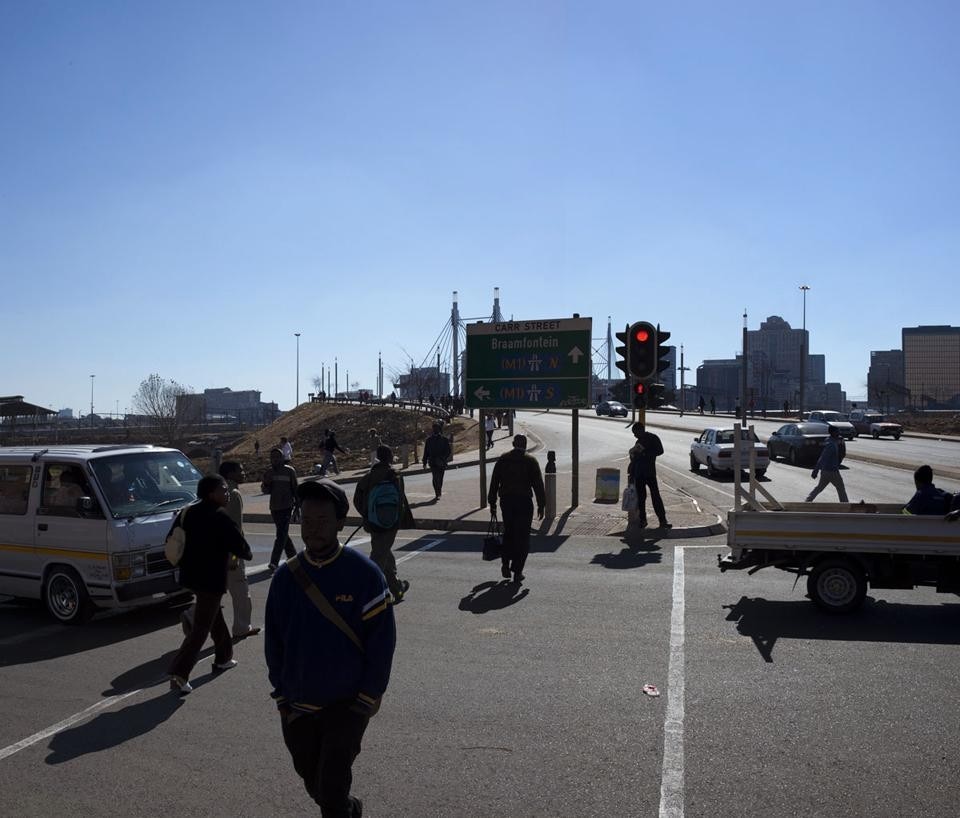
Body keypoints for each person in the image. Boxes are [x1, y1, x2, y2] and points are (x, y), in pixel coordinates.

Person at [265, 479, 396, 818]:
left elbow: (382, 644)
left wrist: (366, 700)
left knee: (332, 788)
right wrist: (282, 695)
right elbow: (274, 642)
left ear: (340, 522)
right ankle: (352, 810)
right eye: (307, 520)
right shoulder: (286, 578)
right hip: (297, 706)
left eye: (323, 521)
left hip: (347, 706)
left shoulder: (364, 575)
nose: (313, 529)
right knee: (316, 784)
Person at [169, 474, 252, 695]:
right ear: (210, 493)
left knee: (214, 616)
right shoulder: (220, 517)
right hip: (211, 579)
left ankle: (224, 657)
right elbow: (241, 547)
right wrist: (243, 553)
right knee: (200, 629)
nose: (227, 493)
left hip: (190, 577)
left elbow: (172, 537)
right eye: (223, 490)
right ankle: (179, 673)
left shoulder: (188, 512)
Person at [180, 461, 261, 640]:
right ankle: (241, 627)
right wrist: (234, 556)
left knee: (216, 590)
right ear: (230, 474)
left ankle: (193, 615)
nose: (244, 473)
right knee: (240, 589)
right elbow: (235, 528)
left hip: (214, 553)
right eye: (240, 470)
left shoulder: (214, 495)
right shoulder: (233, 494)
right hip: (229, 553)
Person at [354, 445, 412, 603]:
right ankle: (369, 593)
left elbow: (357, 499)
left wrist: (368, 514)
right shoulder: (396, 476)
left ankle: (397, 588)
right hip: (391, 523)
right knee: (379, 556)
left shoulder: (369, 476)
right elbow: (401, 500)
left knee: (382, 551)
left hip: (374, 523)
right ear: (390, 457)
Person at [487, 434, 545, 584]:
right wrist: (541, 504)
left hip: (506, 501)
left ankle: (505, 564)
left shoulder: (503, 459)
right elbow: (538, 484)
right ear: (525, 445)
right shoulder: (530, 460)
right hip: (524, 502)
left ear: (513, 444)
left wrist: (492, 503)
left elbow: (494, 482)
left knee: (509, 533)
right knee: (523, 537)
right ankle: (517, 571)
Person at [628, 422, 671, 529]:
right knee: (641, 499)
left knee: (655, 496)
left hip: (649, 472)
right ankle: (643, 520)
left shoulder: (653, 438)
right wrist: (633, 455)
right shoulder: (638, 441)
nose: (635, 435)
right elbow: (634, 459)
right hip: (639, 473)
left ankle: (662, 520)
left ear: (641, 430)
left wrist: (645, 453)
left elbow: (660, 451)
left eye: (635, 433)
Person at [262, 448, 299, 571]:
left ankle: (274, 562)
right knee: (283, 535)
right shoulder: (269, 472)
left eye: (277, 457)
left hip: (287, 506)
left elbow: (295, 489)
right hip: (274, 507)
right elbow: (265, 490)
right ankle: (294, 558)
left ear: (282, 458)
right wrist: (267, 484)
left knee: (281, 534)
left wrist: (297, 507)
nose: (275, 459)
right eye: (273, 457)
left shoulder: (290, 471)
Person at [805, 426, 848, 503]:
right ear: (833, 433)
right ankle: (845, 504)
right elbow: (823, 457)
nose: (839, 433)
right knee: (840, 488)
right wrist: (815, 470)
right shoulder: (831, 444)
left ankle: (808, 501)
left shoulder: (831, 441)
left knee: (820, 487)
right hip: (832, 471)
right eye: (837, 432)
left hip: (826, 471)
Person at [422, 423, 452, 500]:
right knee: (435, 477)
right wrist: (424, 462)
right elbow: (426, 452)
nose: (435, 430)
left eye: (437, 428)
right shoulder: (429, 440)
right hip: (433, 462)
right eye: (434, 428)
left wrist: (443, 458)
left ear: (439, 429)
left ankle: (439, 490)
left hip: (441, 462)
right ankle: (437, 492)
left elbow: (448, 451)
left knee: (440, 478)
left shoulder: (444, 440)